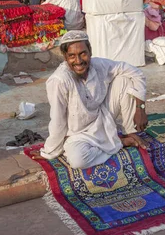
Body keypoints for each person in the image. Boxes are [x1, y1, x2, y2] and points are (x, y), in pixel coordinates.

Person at [37, 30, 148, 169]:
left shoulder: (99, 65)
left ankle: (130, 131)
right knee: (78, 161)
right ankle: (120, 142)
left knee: (125, 79)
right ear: (65, 57)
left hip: (102, 118)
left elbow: (136, 73)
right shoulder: (59, 80)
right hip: (77, 133)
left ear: (90, 52)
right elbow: (57, 119)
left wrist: (140, 109)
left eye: (83, 53)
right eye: (72, 56)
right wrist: (50, 151)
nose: (78, 61)